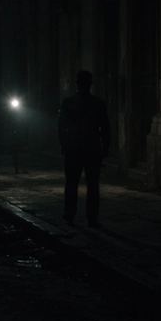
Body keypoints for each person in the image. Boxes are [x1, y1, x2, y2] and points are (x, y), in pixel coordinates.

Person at [57, 70, 111, 228]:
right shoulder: (98, 103)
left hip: (73, 148)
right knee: (93, 185)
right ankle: (92, 218)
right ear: (91, 84)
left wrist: (63, 144)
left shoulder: (68, 102)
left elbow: (61, 127)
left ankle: (69, 214)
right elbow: (105, 127)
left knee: (71, 183)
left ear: (76, 83)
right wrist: (105, 146)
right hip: (92, 148)